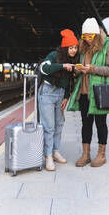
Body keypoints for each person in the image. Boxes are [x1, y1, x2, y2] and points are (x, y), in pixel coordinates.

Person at [67, 18, 109, 167]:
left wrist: (92, 68)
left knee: (101, 123)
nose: (87, 39)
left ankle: (101, 155)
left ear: (96, 34)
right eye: (84, 36)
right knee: (85, 124)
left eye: (90, 36)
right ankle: (86, 154)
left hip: (99, 92)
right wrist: (78, 69)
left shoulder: (108, 45)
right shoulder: (83, 48)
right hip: (84, 92)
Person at [38, 29, 79, 171]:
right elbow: (43, 69)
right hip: (48, 92)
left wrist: (66, 97)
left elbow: (69, 81)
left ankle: (55, 151)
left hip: (60, 94)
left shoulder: (73, 60)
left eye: (75, 47)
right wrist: (62, 66)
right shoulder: (54, 55)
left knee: (59, 124)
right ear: (65, 47)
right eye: (71, 47)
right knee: (49, 126)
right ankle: (48, 156)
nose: (74, 50)